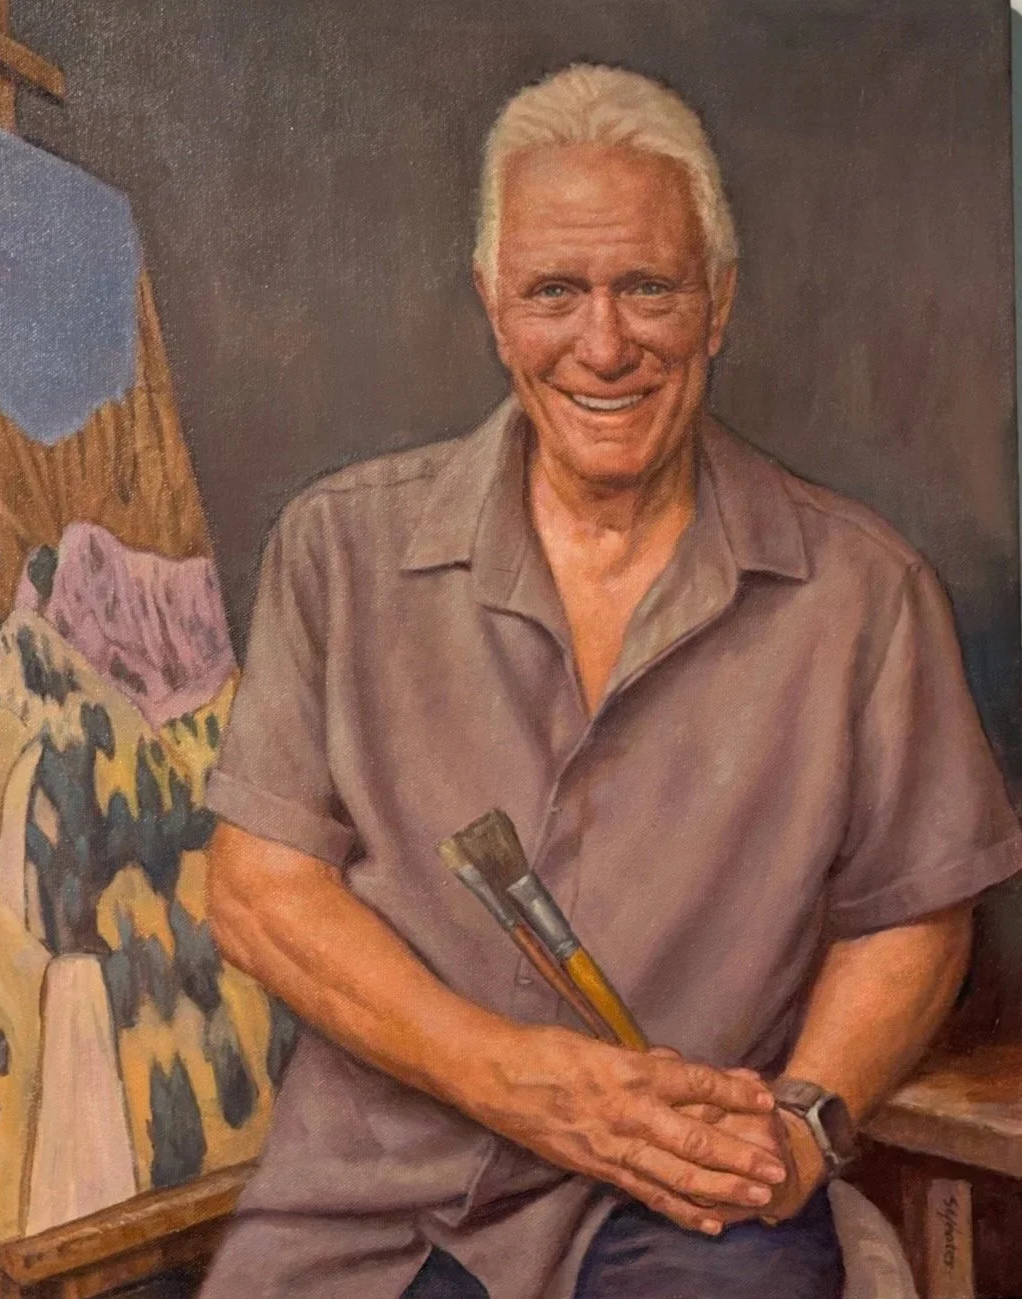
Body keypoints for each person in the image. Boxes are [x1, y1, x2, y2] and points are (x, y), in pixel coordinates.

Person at [199, 64, 1021, 1299]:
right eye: (553, 292)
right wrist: (512, 1081)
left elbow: (910, 915)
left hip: (690, 1203)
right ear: (492, 306)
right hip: (365, 1211)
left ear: (717, 303)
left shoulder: (864, 594)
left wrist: (803, 1125)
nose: (602, 345)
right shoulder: (336, 548)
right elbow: (258, 890)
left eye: (647, 287)